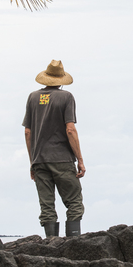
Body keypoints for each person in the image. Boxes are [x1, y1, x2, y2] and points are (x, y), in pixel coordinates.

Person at [22, 60, 86, 237]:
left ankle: (51, 244)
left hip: (39, 159)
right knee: (74, 201)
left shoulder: (33, 97)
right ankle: (74, 243)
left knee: (46, 205)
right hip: (62, 158)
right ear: (61, 80)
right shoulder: (66, 97)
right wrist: (80, 159)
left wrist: (32, 162)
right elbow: (70, 129)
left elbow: (28, 132)